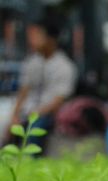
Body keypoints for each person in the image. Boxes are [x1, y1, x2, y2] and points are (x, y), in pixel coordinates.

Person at [7, 19, 76, 152]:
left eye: (38, 35)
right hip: (27, 112)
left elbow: (58, 101)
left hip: (48, 114)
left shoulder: (65, 66)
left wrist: (34, 114)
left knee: (35, 127)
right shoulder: (31, 62)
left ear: (51, 40)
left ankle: (31, 162)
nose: (33, 40)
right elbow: (23, 92)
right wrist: (15, 115)